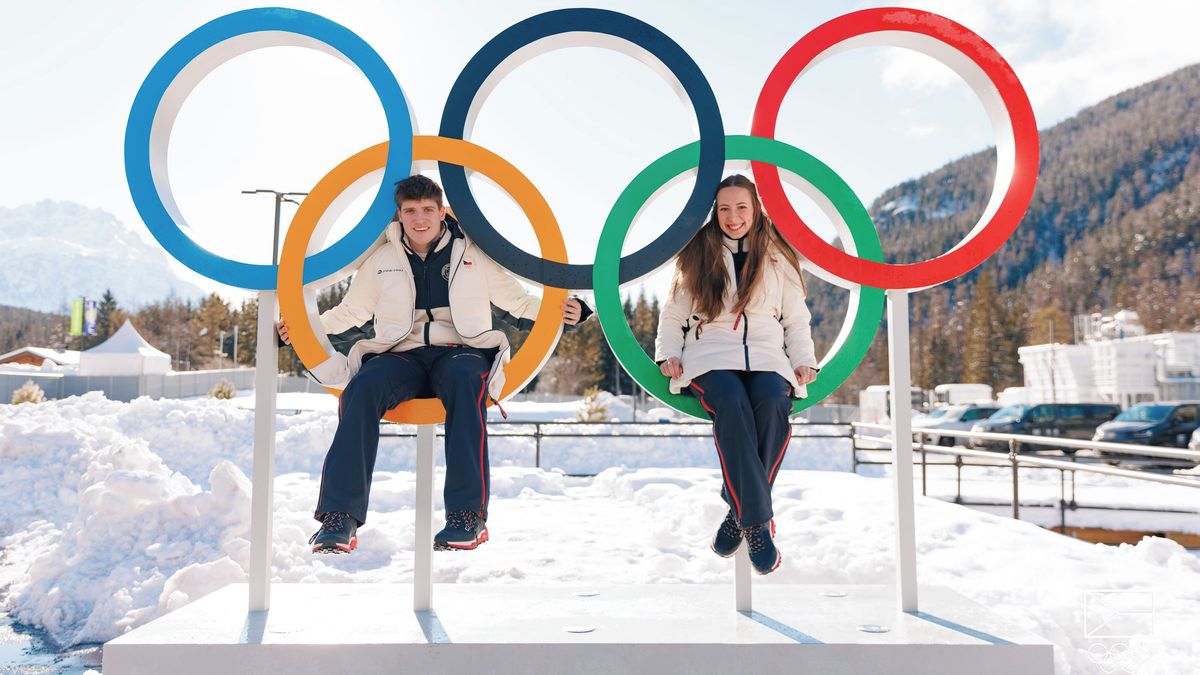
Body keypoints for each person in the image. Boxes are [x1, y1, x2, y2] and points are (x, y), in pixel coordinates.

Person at [278, 175, 589, 554]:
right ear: (400, 215)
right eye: (411, 211)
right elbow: (351, 313)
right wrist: (302, 329)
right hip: (399, 355)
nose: (420, 219)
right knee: (362, 387)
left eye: (428, 210)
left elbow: (520, 304)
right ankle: (339, 517)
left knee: (465, 380)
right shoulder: (383, 259)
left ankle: (465, 516)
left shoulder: (473, 254)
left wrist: (569, 310)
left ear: (443, 211)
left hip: (460, 351)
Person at [654, 174, 817, 575]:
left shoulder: (778, 255)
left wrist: (803, 359)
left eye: (741, 207)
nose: (733, 217)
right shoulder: (697, 254)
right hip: (711, 354)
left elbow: (796, 320)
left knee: (773, 402)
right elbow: (673, 315)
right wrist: (668, 353)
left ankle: (737, 511)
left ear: (756, 207)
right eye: (724, 208)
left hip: (767, 354)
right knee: (730, 399)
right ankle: (758, 525)